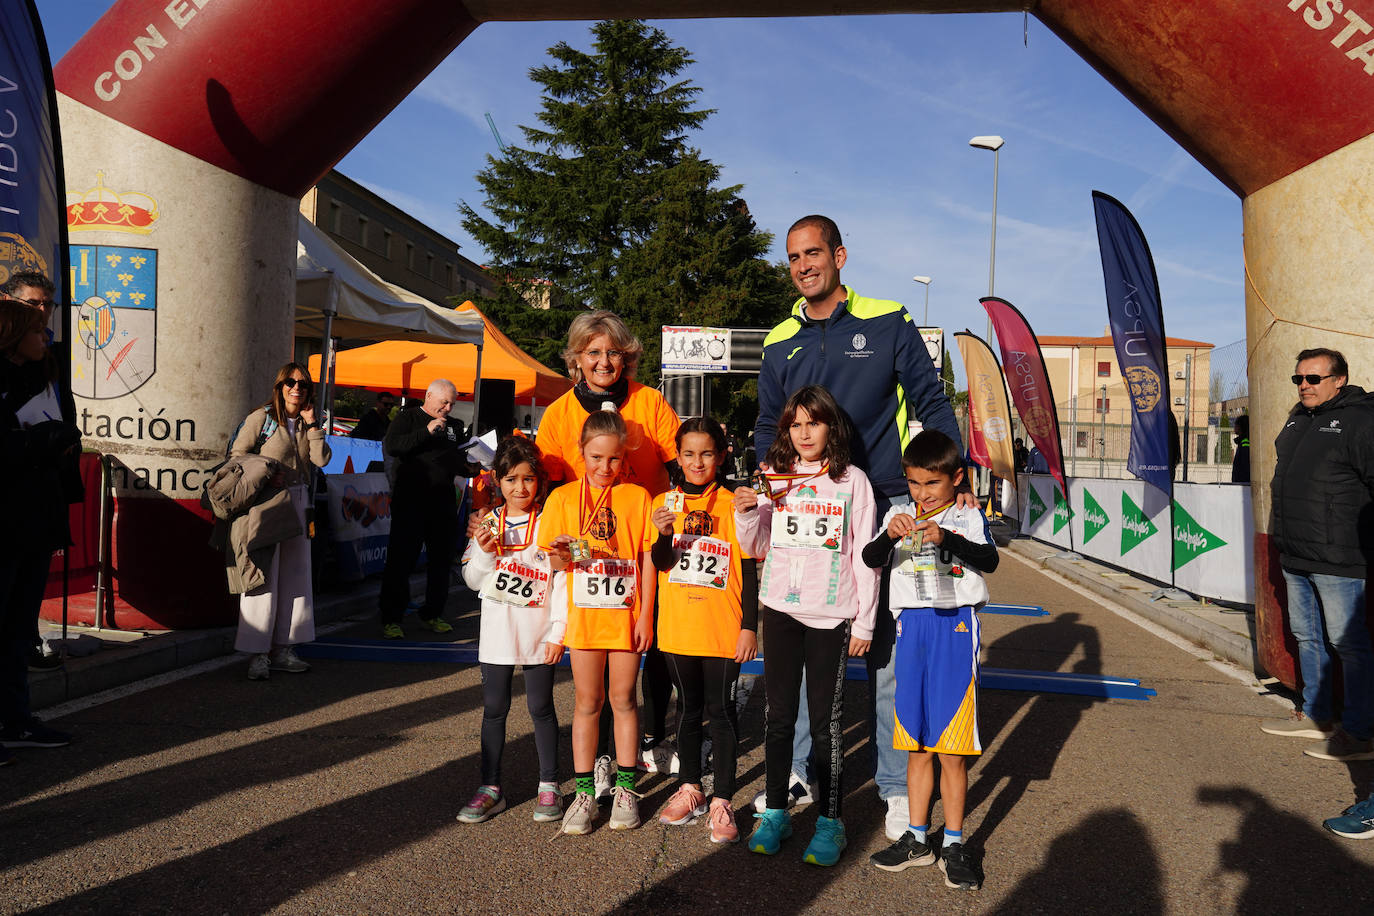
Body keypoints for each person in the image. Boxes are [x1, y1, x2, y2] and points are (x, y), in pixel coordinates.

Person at [753, 215, 967, 841]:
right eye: (793, 257)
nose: (803, 265)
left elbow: (930, 401)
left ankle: (897, 790)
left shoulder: (887, 318)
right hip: (805, 508)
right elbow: (771, 425)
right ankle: (795, 771)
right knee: (796, 638)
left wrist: (951, 474)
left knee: (880, 654)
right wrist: (771, 487)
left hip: (886, 501)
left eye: (813, 253)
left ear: (839, 255)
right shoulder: (778, 339)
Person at [534, 310, 680, 776]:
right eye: (593, 352)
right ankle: (596, 760)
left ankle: (651, 739)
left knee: (652, 648)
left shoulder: (650, 402)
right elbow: (546, 484)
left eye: (613, 352)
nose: (603, 361)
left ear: (627, 357)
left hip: (645, 546)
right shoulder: (559, 414)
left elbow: (681, 463)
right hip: (591, 562)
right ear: (576, 359)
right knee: (593, 686)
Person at [738, 385, 877, 866]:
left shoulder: (853, 480)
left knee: (825, 725)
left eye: (812, 423)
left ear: (830, 426)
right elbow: (756, 546)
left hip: (831, 614)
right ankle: (775, 810)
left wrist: (865, 621)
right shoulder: (773, 477)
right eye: (795, 425)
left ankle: (830, 822)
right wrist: (745, 516)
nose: (804, 433)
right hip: (779, 609)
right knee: (777, 720)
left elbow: (864, 554)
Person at [864, 430, 999, 892]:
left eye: (932, 484)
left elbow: (990, 559)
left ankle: (955, 843)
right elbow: (870, 556)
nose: (922, 494)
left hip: (955, 629)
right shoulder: (900, 513)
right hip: (914, 630)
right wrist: (888, 535)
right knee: (916, 744)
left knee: (951, 750)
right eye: (915, 483)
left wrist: (947, 536)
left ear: (955, 479)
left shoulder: (966, 513)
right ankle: (918, 837)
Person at [540, 410, 656, 835]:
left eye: (613, 460)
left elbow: (645, 558)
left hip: (625, 614)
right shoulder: (564, 498)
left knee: (624, 700)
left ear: (623, 458)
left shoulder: (636, 497)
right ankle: (585, 794)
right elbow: (552, 559)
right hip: (585, 616)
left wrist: (646, 614)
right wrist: (564, 553)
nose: (604, 467)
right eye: (596, 458)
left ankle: (626, 789)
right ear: (581, 453)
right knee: (588, 703)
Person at [1262, 348, 1374, 763]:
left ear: (1339, 379)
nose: (1304, 386)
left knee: (1350, 646)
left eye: (1312, 379)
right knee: (1308, 637)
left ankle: (1360, 734)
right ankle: (1316, 713)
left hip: (1339, 557)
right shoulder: (1298, 418)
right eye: (1298, 379)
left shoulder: (1360, 420)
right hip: (1296, 551)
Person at [649, 418, 759, 844]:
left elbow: (748, 569)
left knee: (722, 711)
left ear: (722, 455)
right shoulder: (664, 502)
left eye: (707, 453)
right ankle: (690, 786)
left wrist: (750, 626)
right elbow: (660, 562)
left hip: (722, 625)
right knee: (688, 710)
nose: (698, 462)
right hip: (678, 626)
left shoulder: (735, 502)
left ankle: (723, 799)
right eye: (689, 454)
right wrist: (662, 534)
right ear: (678, 457)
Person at [457, 436, 564, 825]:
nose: (520, 488)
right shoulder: (486, 520)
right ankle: (490, 787)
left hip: (538, 631)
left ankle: (549, 784)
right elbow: (471, 579)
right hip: (498, 633)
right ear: (497, 481)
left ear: (540, 481)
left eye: (529, 479)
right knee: (494, 710)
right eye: (511, 480)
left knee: (541, 708)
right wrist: (484, 549)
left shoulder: (552, 520)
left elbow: (563, 578)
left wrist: (558, 631)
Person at [0, 298, 80, 757]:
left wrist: (62, 441)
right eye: (34, 330)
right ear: (12, 336)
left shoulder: (46, 379)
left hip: (35, 520)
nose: (43, 336)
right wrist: (40, 441)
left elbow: (59, 433)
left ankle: (16, 720)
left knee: (17, 630)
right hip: (5, 522)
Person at [230, 362, 331, 681]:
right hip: (267, 505)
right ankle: (257, 654)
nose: (296, 388)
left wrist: (314, 426)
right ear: (280, 386)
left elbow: (321, 460)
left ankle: (284, 649)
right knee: (263, 576)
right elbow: (237, 455)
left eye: (302, 383)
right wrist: (266, 473)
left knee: (295, 579)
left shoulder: (307, 422)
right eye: (290, 382)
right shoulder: (261, 418)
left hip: (300, 503)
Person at [379, 379, 471, 639]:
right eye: (444, 402)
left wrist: (469, 467)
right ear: (428, 396)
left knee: (441, 561)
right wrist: (427, 431)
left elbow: (456, 459)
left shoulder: (454, 426)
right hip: (410, 500)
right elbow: (393, 446)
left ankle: (433, 613)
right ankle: (391, 618)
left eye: (452, 403)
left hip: (442, 501)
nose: (448, 408)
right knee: (401, 560)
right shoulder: (408, 417)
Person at [1230, 415, 1250, 483]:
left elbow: (1245, 466)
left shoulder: (1245, 443)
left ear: (1241, 427)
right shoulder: (1242, 442)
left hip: (1242, 485)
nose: (1234, 427)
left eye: (1236, 424)